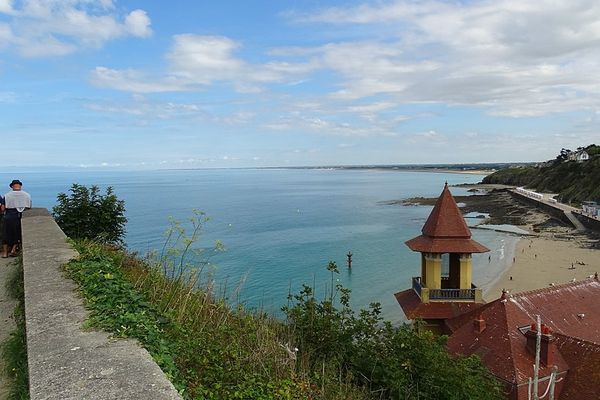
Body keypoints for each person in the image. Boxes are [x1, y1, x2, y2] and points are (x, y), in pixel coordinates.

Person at [2, 180, 32, 258]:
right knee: (17, 234)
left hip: (8, 216)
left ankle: (5, 253)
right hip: (18, 216)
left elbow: (2, 208)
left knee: (6, 234)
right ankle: (13, 250)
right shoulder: (27, 195)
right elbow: (29, 206)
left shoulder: (7, 195)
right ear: (20, 186)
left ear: (12, 186)